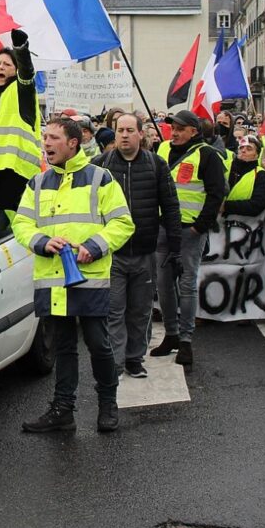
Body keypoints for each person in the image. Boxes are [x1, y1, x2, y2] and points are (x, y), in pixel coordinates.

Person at [13, 118, 134, 433]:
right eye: (45, 137)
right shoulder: (37, 183)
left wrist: (94, 246)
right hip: (53, 281)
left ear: (73, 142)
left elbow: (122, 223)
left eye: (53, 137)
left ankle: (108, 404)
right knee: (63, 347)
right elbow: (21, 224)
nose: (46, 143)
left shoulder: (100, 179)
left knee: (98, 343)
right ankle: (62, 410)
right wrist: (42, 242)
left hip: (89, 278)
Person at [92, 112, 180, 379]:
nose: (125, 135)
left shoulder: (156, 165)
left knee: (140, 311)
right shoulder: (100, 165)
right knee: (114, 310)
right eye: (120, 130)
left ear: (141, 134)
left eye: (130, 130)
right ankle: (116, 362)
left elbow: (170, 205)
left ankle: (134, 358)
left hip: (144, 251)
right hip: (112, 253)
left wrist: (175, 245)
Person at [152, 110, 226, 367]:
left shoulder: (208, 155)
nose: (175, 132)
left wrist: (200, 227)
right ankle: (171, 334)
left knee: (187, 284)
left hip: (189, 230)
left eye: (181, 128)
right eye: (173, 127)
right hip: (163, 228)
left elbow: (217, 193)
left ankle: (185, 340)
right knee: (163, 283)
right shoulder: (160, 149)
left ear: (194, 131)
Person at [0, 29, 41, 225]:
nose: (1, 67)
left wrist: (21, 50)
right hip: (1, 170)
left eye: (7, 64)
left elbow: (27, 73)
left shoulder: (21, 90)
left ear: (15, 70)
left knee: (15, 227)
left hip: (18, 170)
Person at [223, 135, 265, 217]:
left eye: (249, 149)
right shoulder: (225, 166)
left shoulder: (260, 174)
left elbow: (257, 205)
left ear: (256, 155)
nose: (243, 150)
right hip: (216, 217)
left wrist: (225, 206)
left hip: (242, 222)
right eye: (241, 147)